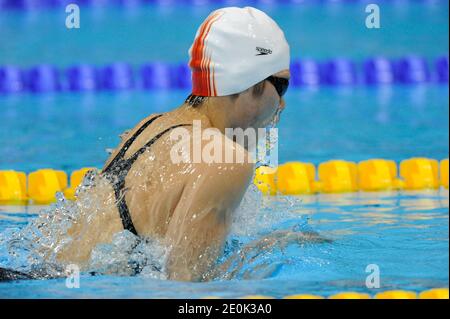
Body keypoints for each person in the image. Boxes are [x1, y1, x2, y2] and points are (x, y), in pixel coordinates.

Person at [3, 6, 291, 282]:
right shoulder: (228, 160)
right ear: (254, 82)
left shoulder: (151, 125)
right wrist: (260, 255)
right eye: (282, 87)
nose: (282, 104)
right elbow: (185, 285)